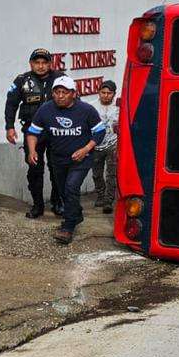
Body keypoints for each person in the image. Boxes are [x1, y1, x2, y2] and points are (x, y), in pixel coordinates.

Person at [26, 76, 104, 244]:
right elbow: (33, 132)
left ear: (73, 94)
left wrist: (85, 149)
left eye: (64, 92)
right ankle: (76, 215)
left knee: (70, 188)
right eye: (57, 92)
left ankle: (67, 228)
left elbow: (100, 132)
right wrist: (32, 150)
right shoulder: (45, 110)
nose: (60, 96)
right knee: (63, 191)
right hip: (58, 159)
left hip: (81, 159)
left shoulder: (86, 110)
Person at [5, 49, 64, 218]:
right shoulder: (22, 80)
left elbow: (73, 101)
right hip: (33, 133)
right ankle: (37, 205)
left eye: (44, 62)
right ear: (31, 64)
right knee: (35, 169)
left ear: (50, 64)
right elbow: (11, 104)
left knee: (57, 168)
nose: (40, 66)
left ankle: (57, 202)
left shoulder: (61, 79)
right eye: (37, 62)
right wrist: (9, 126)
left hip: (56, 131)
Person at [92, 80, 119, 213]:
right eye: (103, 92)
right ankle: (100, 196)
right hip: (96, 145)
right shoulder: (91, 107)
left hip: (113, 144)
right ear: (99, 92)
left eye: (109, 93)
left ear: (114, 94)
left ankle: (109, 200)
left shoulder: (119, 106)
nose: (106, 95)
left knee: (111, 174)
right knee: (97, 173)